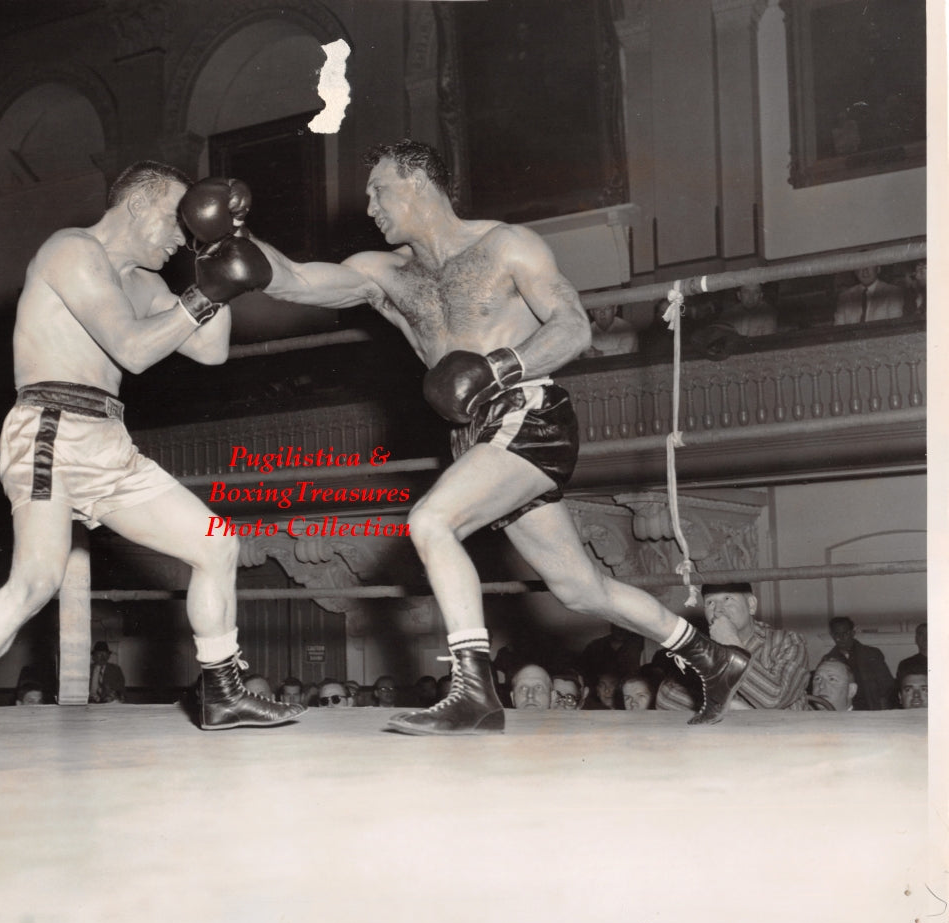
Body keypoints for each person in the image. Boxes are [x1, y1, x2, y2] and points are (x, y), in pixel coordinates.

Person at [252, 139, 751, 734]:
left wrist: (497, 367)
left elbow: (572, 328)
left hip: (526, 411)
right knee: (579, 588)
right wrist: (232, 239)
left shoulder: (506, 246)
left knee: (431, 521)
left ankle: (473, 690)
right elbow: (294, 281)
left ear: (417, 183)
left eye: (378, 191)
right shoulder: (381, 273)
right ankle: (710, 658)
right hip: (474, 438)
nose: (369, 208)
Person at [0, 164, 302, 742]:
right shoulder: (71, 250)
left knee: (217, 544)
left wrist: (219, 255)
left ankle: (222, 693)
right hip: (51, 429)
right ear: (139, 204)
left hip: (110, 442)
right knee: (35, 581)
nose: (180, 237)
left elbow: (210, 350)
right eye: (177, 221)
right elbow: (134, 351)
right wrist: (203, 292)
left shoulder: (145, 282)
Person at [701, 583, 809, 710]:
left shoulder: (787, 642)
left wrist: (731, 643)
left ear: (751, 605)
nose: (718, 610)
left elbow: (774, 699)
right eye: (710, 603)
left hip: (787, 728)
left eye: (727, 599)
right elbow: (677, 697)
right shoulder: (703, 650)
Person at [818, 616, 894, 711]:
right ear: (832, 635)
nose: (841, 638)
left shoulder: (872, 654)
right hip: (842, 710)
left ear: (853, 633)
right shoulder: (828, 660)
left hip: (871, 707)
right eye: (837, 634)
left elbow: (886, 685)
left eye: (845, 633)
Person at [833, 266, 905, 325]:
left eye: (869, 265)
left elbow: (895, 327)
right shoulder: (845, 297)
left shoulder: (892, 292)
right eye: (860, 266)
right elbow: (838, 329)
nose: (865, 271)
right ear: (855, 271)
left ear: (878, 269)